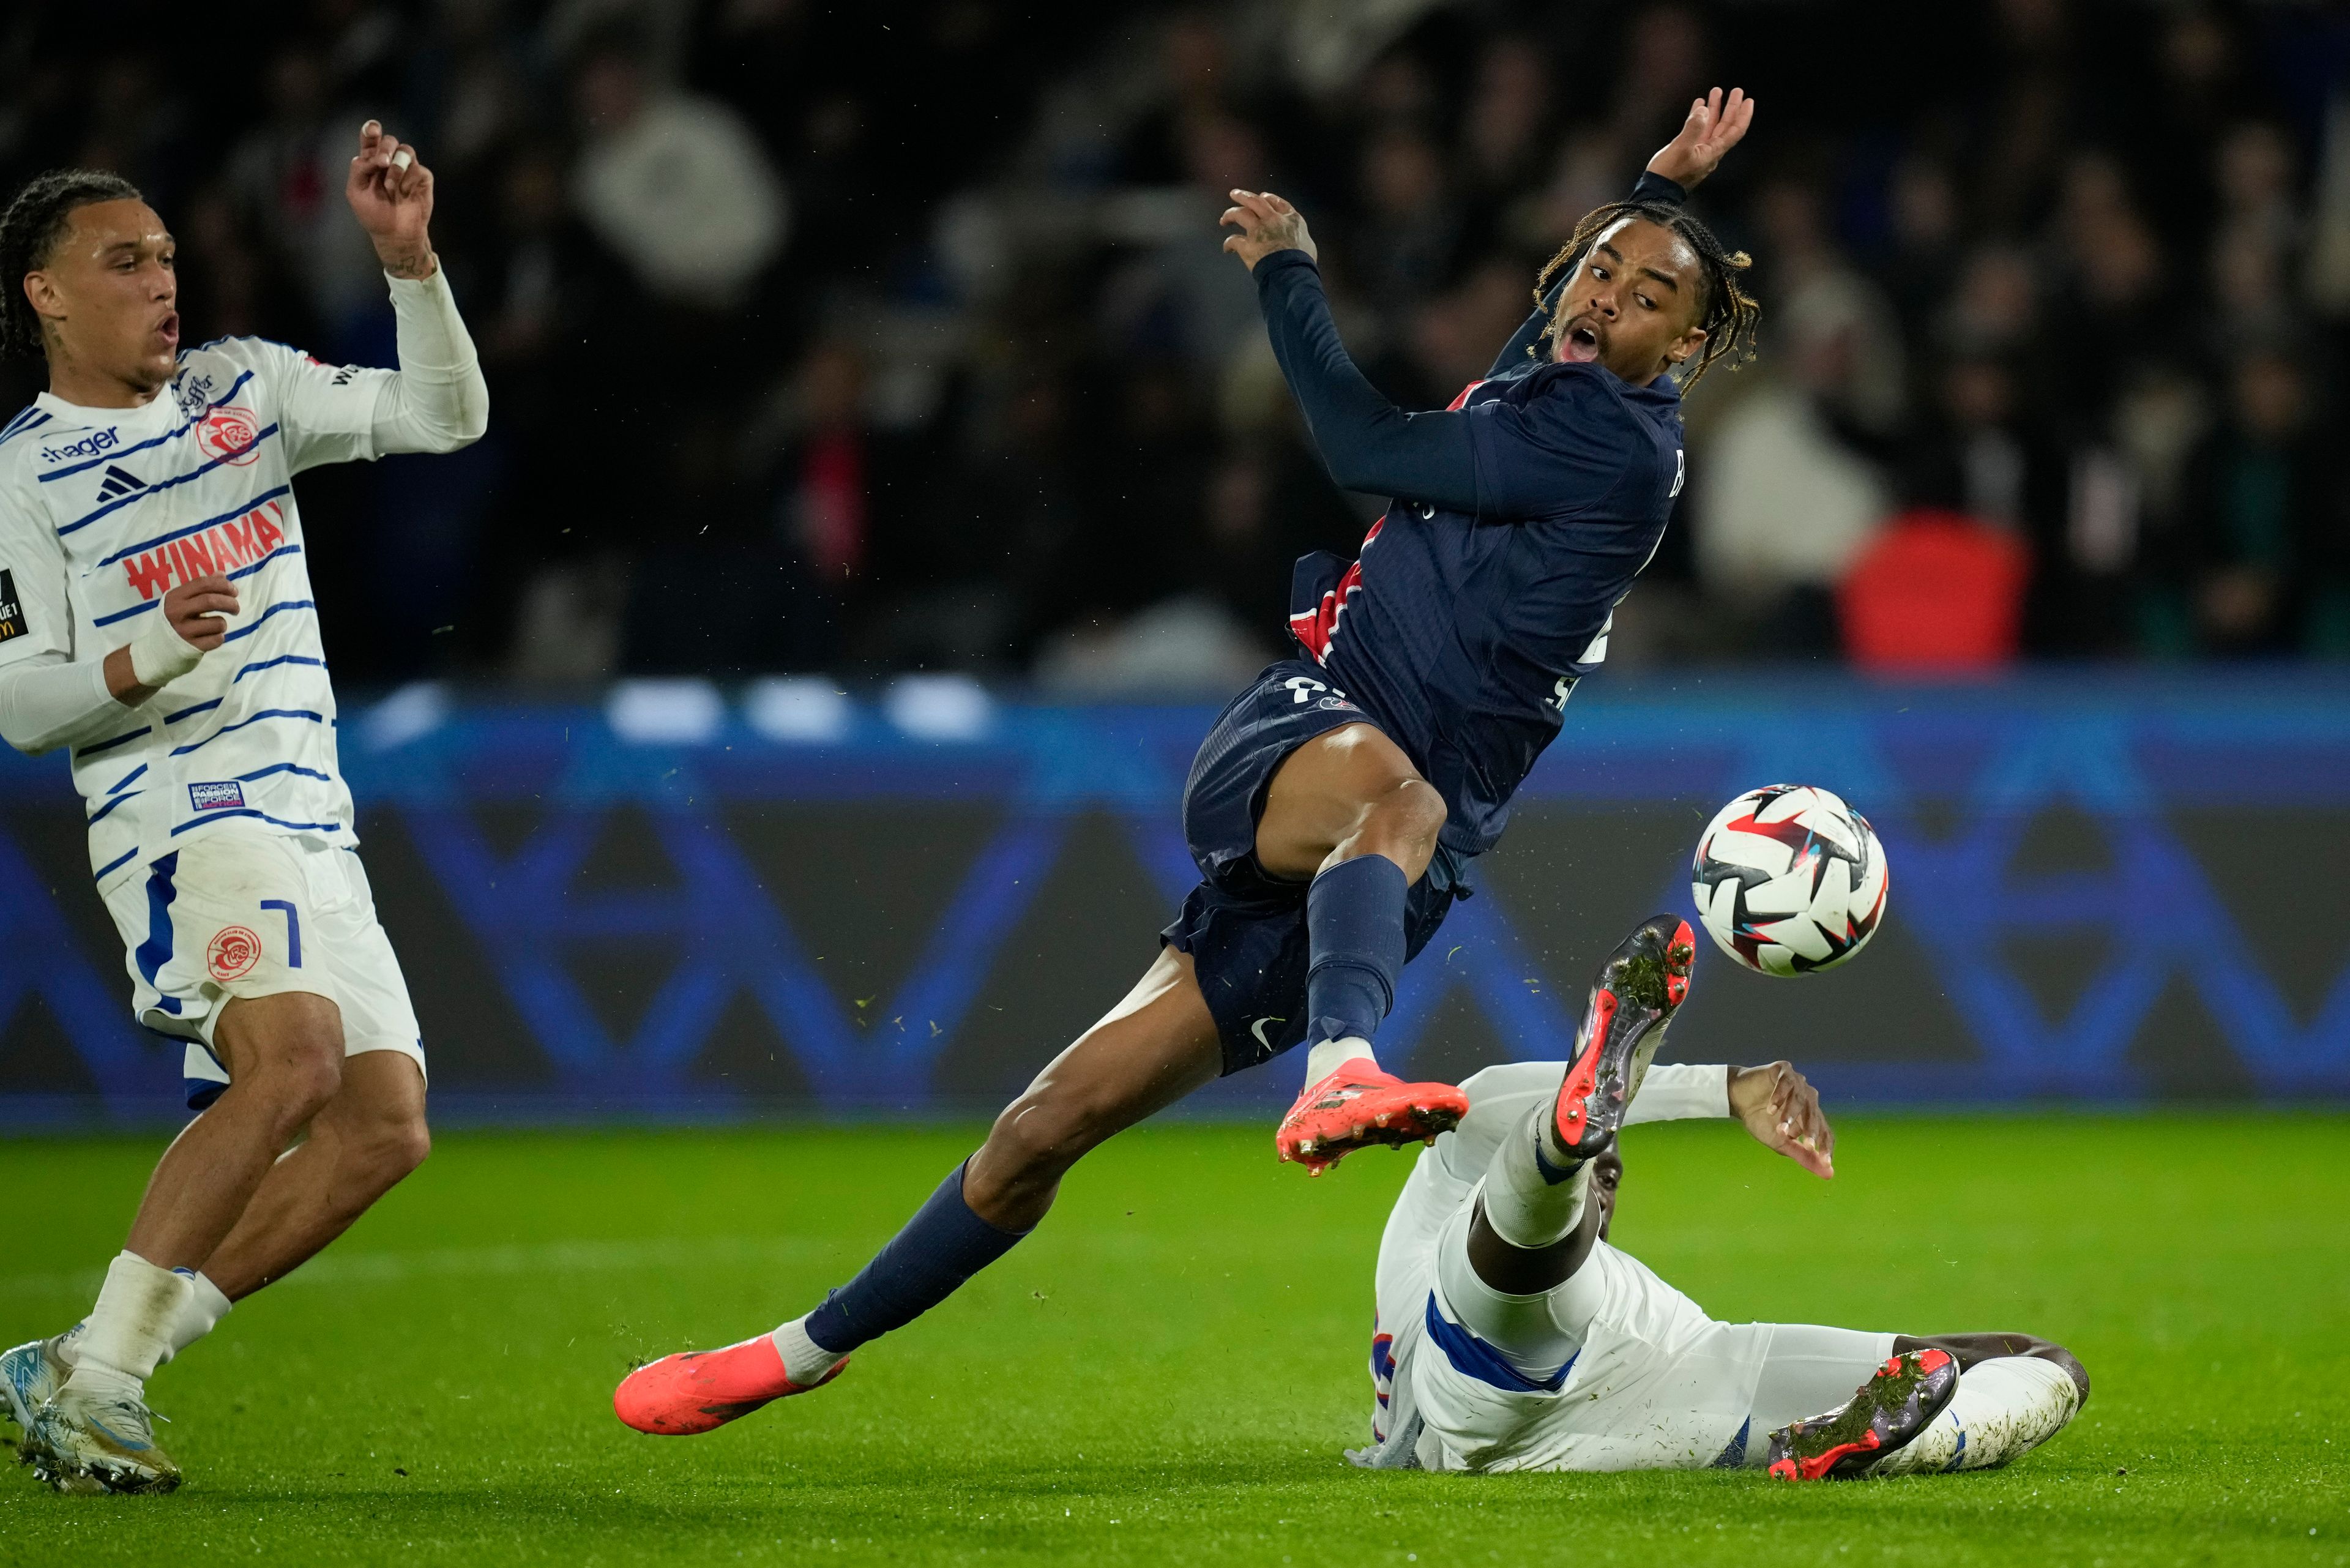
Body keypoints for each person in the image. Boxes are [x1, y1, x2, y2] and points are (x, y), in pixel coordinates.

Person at [611, 89, 1764, 1438]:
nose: (1605, 295)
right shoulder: (1567, 377)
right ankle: (1342, 1065)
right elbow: (1554, 328)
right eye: (1599, 266)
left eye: (1643, 295)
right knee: (1398, 791)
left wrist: (1287, 276)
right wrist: (1659, 185)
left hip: (1386, 863)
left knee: (1051, 1122)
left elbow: (1361, 447)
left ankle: (799, 1349)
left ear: (1685, 350)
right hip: (1307, 732)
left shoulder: (1604, 441)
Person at [0, 122, 488, 1494]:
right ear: (45, 292)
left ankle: (96, 1360)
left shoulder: (245, 389)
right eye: (123, 262)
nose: (163, 282)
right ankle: (96, 1384)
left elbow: (446, 416)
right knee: (292, 1064)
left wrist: (411, 267)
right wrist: (154, 646)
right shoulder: (18, 478)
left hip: (310, 813)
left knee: (383, 1129)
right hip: (180, 805)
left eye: (166, 257)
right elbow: (22, 706)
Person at [1357, 914, 2088, 1479]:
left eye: (1610, 1170)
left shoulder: (1639, 1302)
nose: (1608, 1181)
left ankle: (1870, 1445)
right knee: (1516, 1244)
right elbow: (1484, 1103)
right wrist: (1722, 1087)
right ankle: (1561, 1140)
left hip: (1669, 1378)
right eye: (1599, 1160)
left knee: (2043, 1363)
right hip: (1472, 1394)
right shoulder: (1444, 1218)